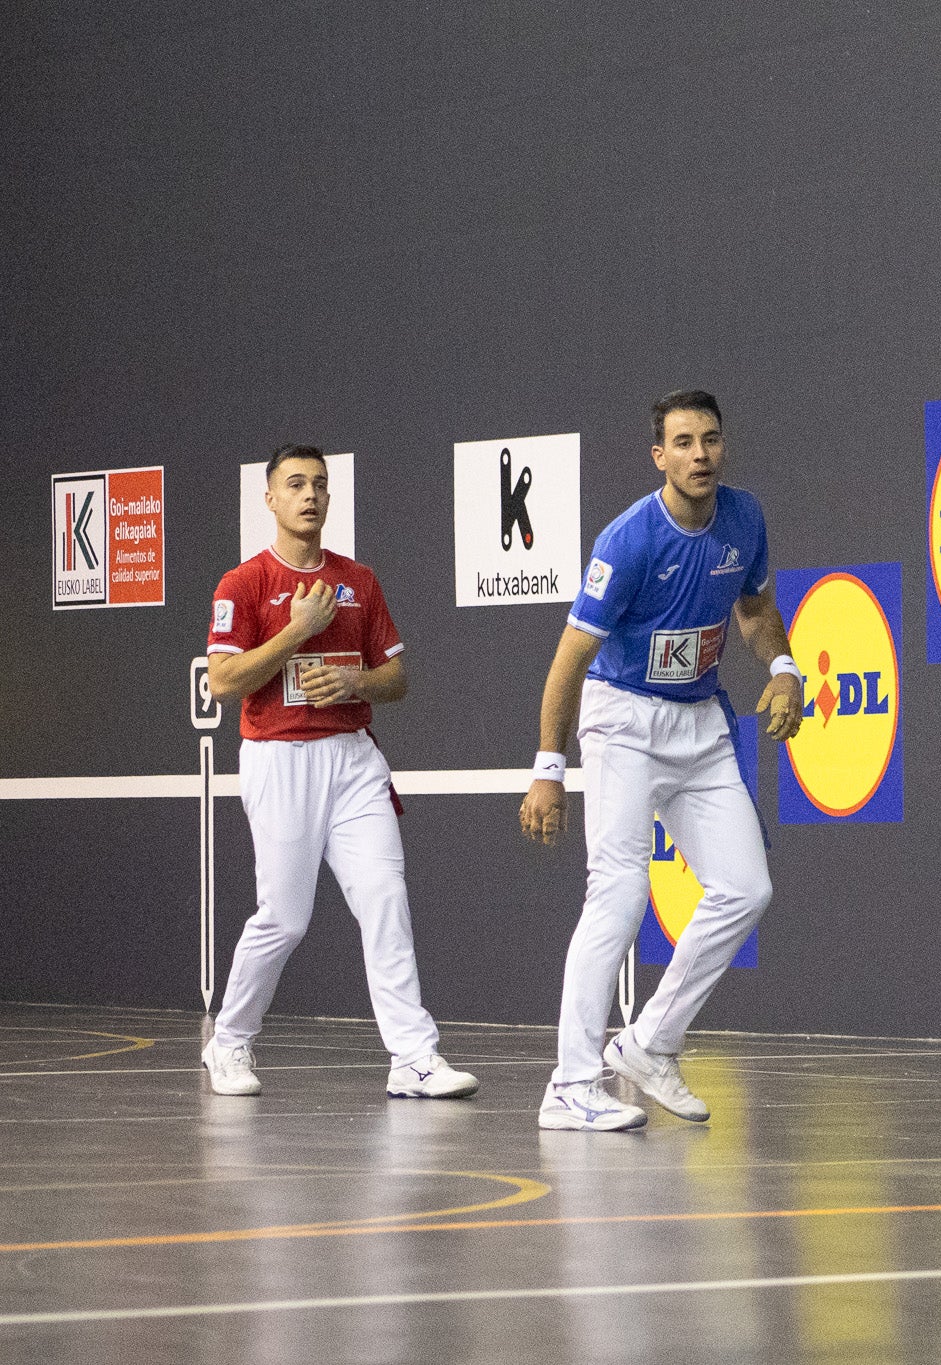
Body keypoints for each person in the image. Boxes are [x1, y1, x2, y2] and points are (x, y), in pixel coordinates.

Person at [520, 389, 804, 1132]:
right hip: (622, 720)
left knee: (745, 886)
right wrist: (549, 768)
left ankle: (648, 1043)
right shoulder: (629, 540)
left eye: (710, 439)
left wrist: (784, 668)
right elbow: (570, 658)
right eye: (683, 442)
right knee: (619, 889)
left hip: (701, 723)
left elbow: (754, 611)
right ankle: (571, 1082)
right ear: (660, 457)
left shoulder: (744, 518)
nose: (700, 454)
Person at [202, 445, 479, 1100]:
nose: (310, 495)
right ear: (269, 498)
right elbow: (222, 681)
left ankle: (413, 1056)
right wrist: (296, 631)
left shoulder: (360, 580)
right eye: (295, 484)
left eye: (320, 485)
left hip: (353, 758)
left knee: (385, 896)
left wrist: (356, 678)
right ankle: (230, 1041)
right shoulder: (241, 585)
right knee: (286, 918)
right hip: (279, 758)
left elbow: (397, 678)